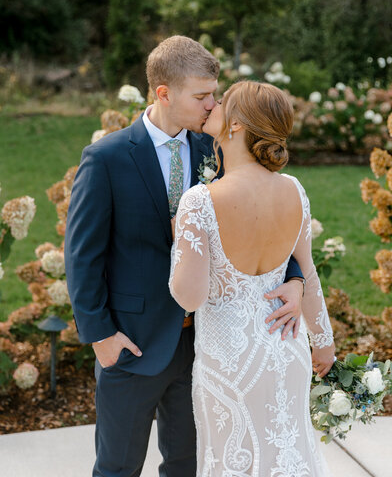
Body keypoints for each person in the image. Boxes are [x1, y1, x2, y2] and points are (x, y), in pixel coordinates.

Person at [65, 36, 305, 477]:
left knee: (188, 465)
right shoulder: (107, 158)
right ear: (163, 93)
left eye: (215, 93)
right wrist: (101, 337)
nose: (214, 106)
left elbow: (257, 215)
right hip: (133, 343)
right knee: (117, 467)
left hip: (205, 346)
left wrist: (295, 278)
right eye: (202, 96)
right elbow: (82, 256)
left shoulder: (213, 150)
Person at [169, 80, 335, 476]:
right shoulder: (294, 189)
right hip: (286, 347)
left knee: (233, 462)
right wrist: (323, 342)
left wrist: (183, 239)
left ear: (238, 124)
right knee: (289, 454)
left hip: (228, 363)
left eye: (222, 102)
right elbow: (307, 274)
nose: (214, 107)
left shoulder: (200, 201)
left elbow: (189, 297)